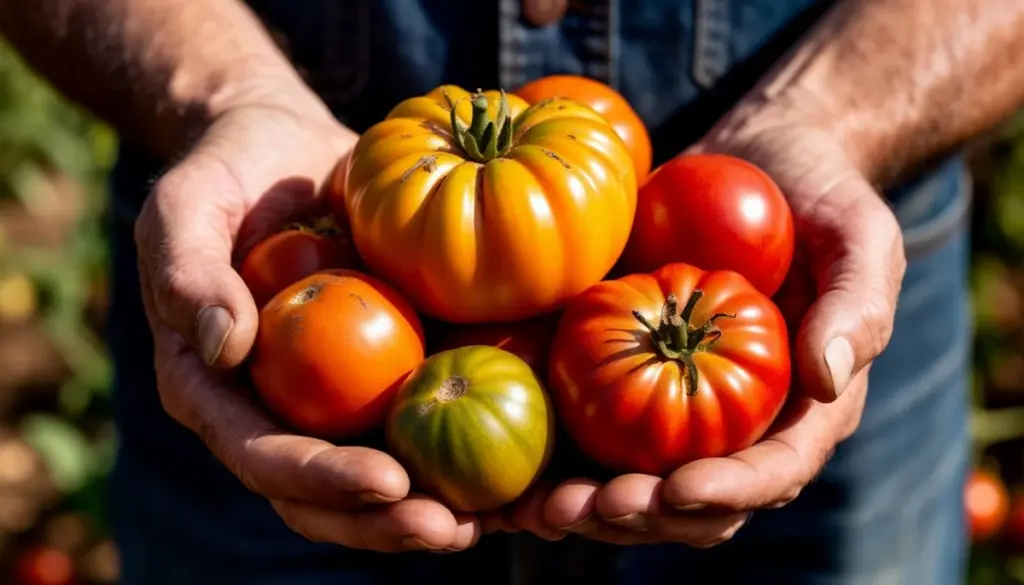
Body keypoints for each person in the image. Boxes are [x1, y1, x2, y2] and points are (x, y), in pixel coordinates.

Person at [1, 0, 1022, 583]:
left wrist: (835, 120)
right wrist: (223, 94)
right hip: (260, 228)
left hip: (800, 246)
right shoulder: (344, 226)